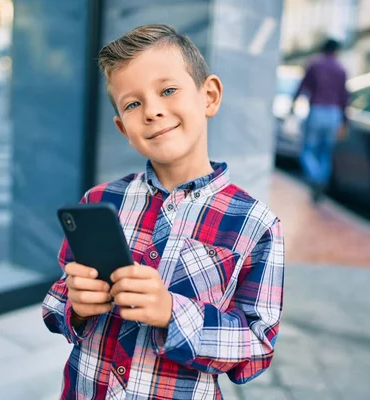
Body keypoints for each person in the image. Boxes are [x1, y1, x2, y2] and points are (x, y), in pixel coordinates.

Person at [42, 24, 285, 399]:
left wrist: (173, 312)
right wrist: (75, 305)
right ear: (123, 128)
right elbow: (58, 301)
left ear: (209, 96)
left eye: (168, 90)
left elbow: (257, 348)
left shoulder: (257, 224)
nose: (153, 111)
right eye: (133, 103)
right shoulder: (99, 201)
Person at [290, 38, 349, 202]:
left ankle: (315, 178)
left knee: (307, 150)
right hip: (334, 114)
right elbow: (345, 97)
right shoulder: (341, 69)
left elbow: (303, 86)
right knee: (326, 152)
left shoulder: (314, 64)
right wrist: (345, 120)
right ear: (336, 51)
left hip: (317, 110)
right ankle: (322, 181)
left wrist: (293, 104)